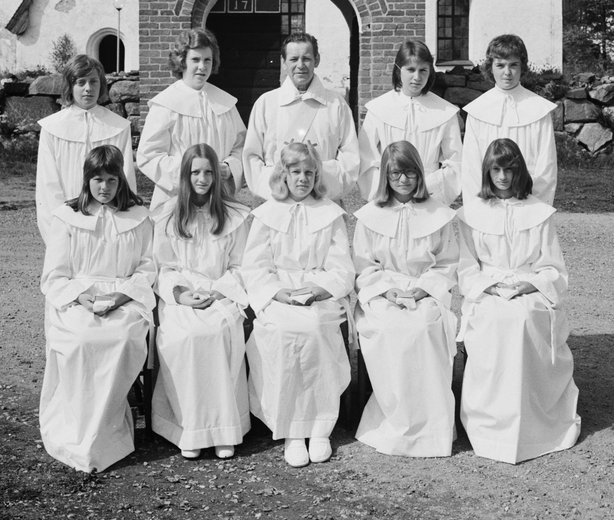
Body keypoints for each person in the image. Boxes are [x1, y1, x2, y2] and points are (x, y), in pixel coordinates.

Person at [456, 138, 580, 464]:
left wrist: (531, 283)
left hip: (530, 289)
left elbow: (553, 268)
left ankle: (533, 424)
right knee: (498, 321)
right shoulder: (472, 215)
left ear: (519, 172)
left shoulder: (538, 213)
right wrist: (491, 286)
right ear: (487, 172)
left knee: (524, 319)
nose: (502, 177)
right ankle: (491, 426)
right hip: (489, 291)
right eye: (496, 169)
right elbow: (468, 269)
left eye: (509, 169)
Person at [39, 145, 155, 473]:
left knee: (120, 338)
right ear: (87, 180)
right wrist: (82, 297)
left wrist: (121, 297)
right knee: (79, 340)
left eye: (111, 180)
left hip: (125, 297)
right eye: (97, 179)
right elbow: (55, 275)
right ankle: (77, 428)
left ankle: (110, 426)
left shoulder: (139, 217)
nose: (104, 187)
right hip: (78, 298)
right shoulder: (67, 217)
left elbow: (147, 268)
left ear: (122, 181)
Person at [241, 142, 354, 468]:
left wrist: (320, 289)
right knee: (281, 332)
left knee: (317, 329)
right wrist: (276, 293)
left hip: (318, 295)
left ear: (317, 175)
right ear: (284, 175)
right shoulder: (267, 214)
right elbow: (256, 267)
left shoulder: (329, 214)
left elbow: (342, 267)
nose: (302, 179)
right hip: (279, 295)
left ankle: (319, 428)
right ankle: (290, 429)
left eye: (309, 172)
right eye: (295, 172)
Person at [352, 141, 460, 457]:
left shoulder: (438, 214)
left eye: (410, 172)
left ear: (419, 174)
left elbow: (446, 262)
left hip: (425, 291)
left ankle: (429, 428)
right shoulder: (370, 216)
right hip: (383, 292)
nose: (403, 180)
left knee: (426, 326)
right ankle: (394, 420)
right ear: (386, 175)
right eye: (396, 173)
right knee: (389, 329)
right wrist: (386, 290)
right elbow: (364, 264)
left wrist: (424, 288)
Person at [152, 143, 252, 459]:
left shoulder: (235, 216)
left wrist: (219, 292)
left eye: (208, 172)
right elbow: (163, 267)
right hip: (182, 296)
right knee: (186, 336)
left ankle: (223, 428)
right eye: (195, 171)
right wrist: (181, 295)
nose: (202, 178)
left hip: (221, 293)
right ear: (185, 174)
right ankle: (190, 427)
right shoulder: (168, 215)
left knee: (217, 332)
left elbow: (241, 266)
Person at [137, 28, 246, 216]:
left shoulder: (225, 103)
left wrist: (229, 168)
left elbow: (241, 146)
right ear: (182, 62)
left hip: (218, 198)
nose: (202, 67)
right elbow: (149, 155)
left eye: (207, 60)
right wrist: (192, 174)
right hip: (176, 199)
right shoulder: (166, 104)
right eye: (195, 60)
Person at [243, 32, 358, 203]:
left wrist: (322, 187)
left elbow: (350, 156)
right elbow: (252, 155)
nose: (300, 65)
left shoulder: (336, 105)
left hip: (323, 201)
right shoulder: (266, 103)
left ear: (316, 60)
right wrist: (275, 188)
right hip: (276, 201)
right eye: (293, 59)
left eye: (306, 58)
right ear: (283, 62)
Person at [36, 54, 137, 246]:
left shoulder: (118, 127)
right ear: (70, 86)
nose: (88, 88)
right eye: (81, 82)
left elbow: (126, 179)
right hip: (66, 222)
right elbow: (47, 186)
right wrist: (56, 232)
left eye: (94, 82)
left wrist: (121, 225)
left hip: (108, 223)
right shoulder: (52, 128)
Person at [358, 40, 462, 206]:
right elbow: (366, 158)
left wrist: (426, 189)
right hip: (389, 196)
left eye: (423, 70)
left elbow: (456, 161)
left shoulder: (445, 112)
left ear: (430, 71)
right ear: (399, 70)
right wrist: (388, 191)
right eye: (411, 70)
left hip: (429, 196)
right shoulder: (379, 109)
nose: (417, 77)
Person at [461, 34, 557, 205]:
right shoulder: (478, 110)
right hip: (488, 203)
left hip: (529, 199)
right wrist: (481, 203)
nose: (507, 73)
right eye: (500, 65)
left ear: (522, 67)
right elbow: (471, 166)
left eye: (513, 65)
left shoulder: (539, 109)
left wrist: (533, 203)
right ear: (491, 67)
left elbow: (546, 165)